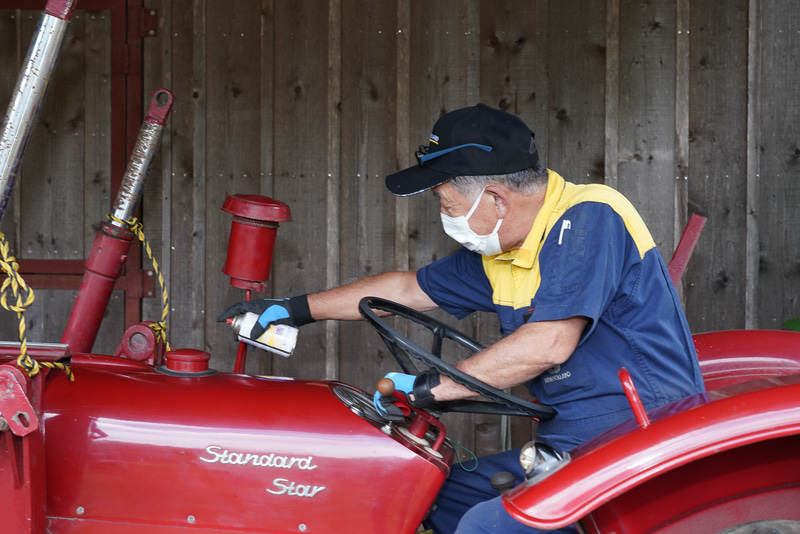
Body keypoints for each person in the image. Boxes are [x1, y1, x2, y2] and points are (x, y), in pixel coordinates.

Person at [218, 104, 705, 533]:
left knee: (485, 527)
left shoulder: (589, 217)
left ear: (495, 199)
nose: (446, 218)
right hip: (568, 440)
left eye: (447, 205)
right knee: (444, 494)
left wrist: (431, 388)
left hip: (637, 435)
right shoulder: (507, 250)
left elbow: (549, 343)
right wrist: (292, 310)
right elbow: (406, 289)